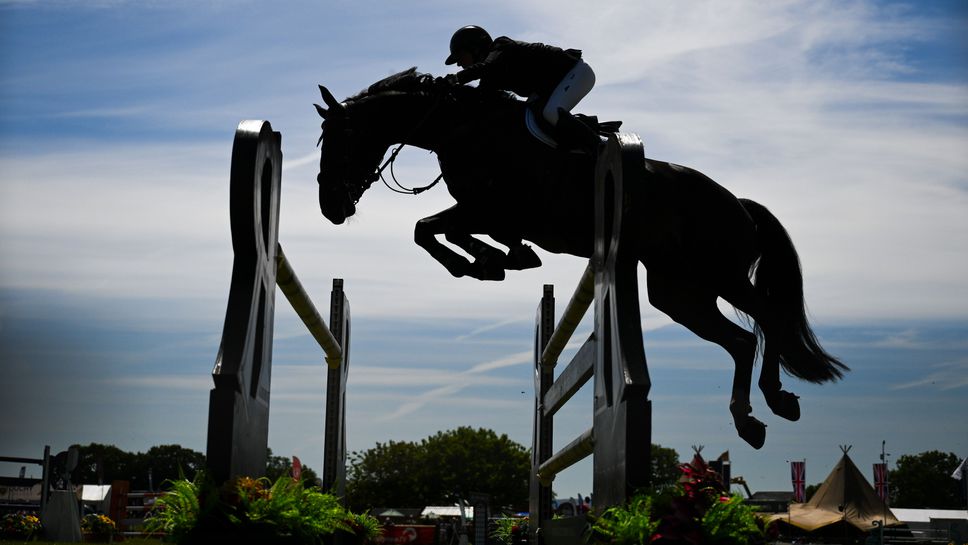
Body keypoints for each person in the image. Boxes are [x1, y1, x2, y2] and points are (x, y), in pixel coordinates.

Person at [442, 25, 601, 152]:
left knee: (550, 113)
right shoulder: (490, 78)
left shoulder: (500, 46)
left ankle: (602, 149)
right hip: (552, 86)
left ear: (475, 49)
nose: (458, 64)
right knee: (527, 119)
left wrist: (456, 79)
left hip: (576, 72)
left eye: (460, 56)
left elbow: (486, 67)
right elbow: (480, 101)